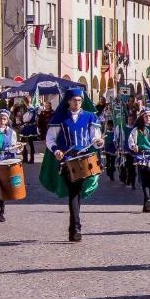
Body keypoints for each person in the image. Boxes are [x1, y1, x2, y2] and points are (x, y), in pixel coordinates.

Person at [39, 88, 104, 242]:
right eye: (74, 100)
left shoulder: (90, 117)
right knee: (74, 192)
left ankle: (73, 226)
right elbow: (50, 139)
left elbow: (95, 137)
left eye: (80, 100)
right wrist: (56, 151)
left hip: (84, 158)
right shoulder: (60, 118)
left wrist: (99, 142)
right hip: (68, 160)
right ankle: (76, 228)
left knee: (76, 192)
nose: (77, 102)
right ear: (68, 101)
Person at [128, 108, 150, 213]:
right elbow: (131, 141)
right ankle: (147, 199)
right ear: (142, 117)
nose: (148, 118)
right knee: (145, 179)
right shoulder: (137, 130)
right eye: (146, 116)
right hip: (142, 157)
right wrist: (134, 146)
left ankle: (147, 202)